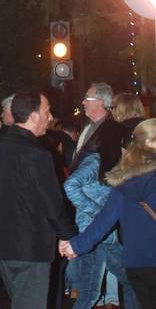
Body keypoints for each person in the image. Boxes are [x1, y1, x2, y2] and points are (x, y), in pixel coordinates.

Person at [0, 90, 75, 309]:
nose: (50, 117)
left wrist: (1, 221)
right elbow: (52, 204)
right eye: (47, 112)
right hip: (33, 248)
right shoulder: (37, 154)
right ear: (33, 116)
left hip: (2, 246)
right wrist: (68, 236)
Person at [61, 118, 156, 309]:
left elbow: (104, 220)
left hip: (136, 262)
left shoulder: (123, 180)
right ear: (150, 143)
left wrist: (76, 246)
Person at [73, 83, 126, 166]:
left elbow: (109, 165)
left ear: (100, 101)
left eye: (87, 98)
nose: (83, 102)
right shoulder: (87, 126)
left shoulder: (113, 130)